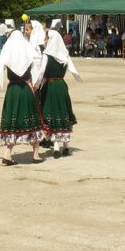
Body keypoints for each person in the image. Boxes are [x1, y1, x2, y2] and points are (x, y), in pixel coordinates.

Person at [0, 30, 45, 165]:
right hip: (26, 89)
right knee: (32, 119)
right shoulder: (29, 50)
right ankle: (35, 155)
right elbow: (38, 72)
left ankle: (7, 154)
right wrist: (36, 85)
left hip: (12, 91)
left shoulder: (7, 51)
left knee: (13, 120)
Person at [34, 30, 81, 158]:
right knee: (63, 113)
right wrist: (78, 77)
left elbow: (41, 74)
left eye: (46, 38)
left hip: (50, 87)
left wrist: (35, 86)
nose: (45, 41)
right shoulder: (64, 54)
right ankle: (66, 146)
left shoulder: (47, 56)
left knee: (52, 114)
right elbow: (72, 69)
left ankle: (56, 147)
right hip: (62, 86)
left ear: (52, 40)